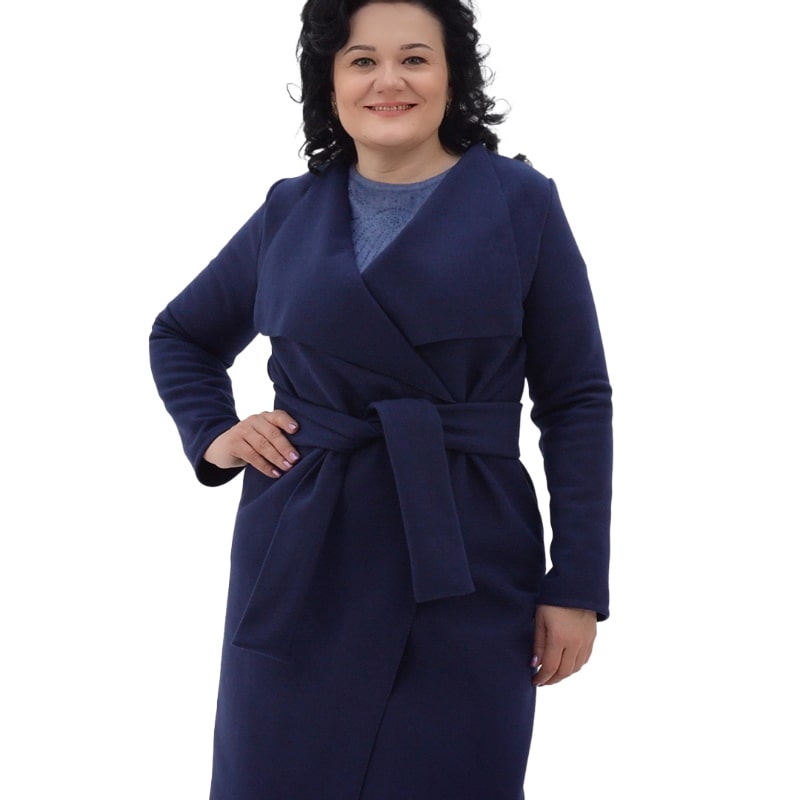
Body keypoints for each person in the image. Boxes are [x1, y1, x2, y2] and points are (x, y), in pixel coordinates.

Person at [149, 0, 612, 797]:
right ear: (329, 82)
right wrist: (213, 433)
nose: (388, 80)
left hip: (462, 555)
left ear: (452, 77)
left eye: (415, 58)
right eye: (362, 60)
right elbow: (181, 335)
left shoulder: (521, 202)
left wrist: (577, 584)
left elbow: (575, 400)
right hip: (301, 559)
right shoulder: (290, 210)